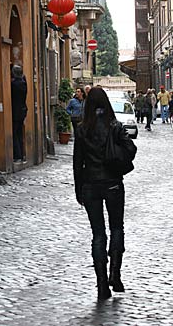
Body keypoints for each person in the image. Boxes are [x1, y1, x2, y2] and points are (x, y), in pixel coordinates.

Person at [73, 87, 127, 300]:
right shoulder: (114, 126)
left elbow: (78, 163)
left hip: (90, 185)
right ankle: (115, 273)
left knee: (98, 233)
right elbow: (130, 150)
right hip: (113, 183)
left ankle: (101, 285)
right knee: (116, 227)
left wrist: (79, 189)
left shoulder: (82, 129)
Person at [11, 65, 27, 163]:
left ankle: (17, 155)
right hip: (22, 110)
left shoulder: (14, 84)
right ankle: (21, 154)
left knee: (14, 133)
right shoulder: (24, 83)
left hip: (16, 112)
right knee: (19, 132)